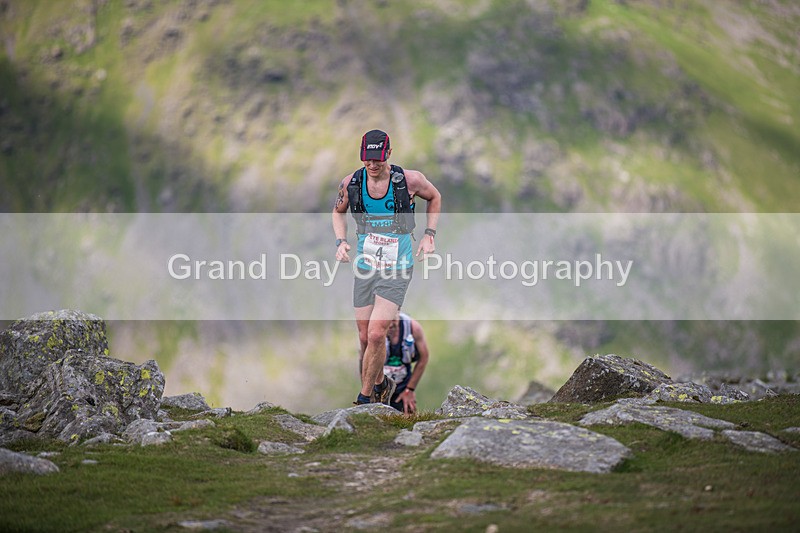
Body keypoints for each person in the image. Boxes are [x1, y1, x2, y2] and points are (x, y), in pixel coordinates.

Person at [332, 129, 441, 407]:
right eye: (367, 159)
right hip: (366, 267)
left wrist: (430, 234)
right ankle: (382, 384)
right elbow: (338, 211)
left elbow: (435, 197)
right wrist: (341, 241)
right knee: (364, 337)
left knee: (377, 333)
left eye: (378, 158)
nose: (372, 164)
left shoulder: (409, 180)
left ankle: (364, 399)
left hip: (398, 267)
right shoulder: (352, 182)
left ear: (388, 154)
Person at [381, 312, 429, 414]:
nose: (390, 325)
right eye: (387, 321)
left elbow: (424, 357)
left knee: (407, 417)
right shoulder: (373, 328)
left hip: (403, 386)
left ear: (398, 311)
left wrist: (410, 389)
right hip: (379, 386)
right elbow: (364, 359)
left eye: (393, 320)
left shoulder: (413, 328)